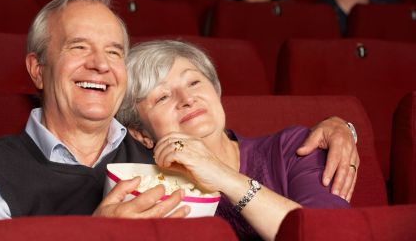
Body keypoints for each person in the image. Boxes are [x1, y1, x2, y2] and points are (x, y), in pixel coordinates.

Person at [0, 0, 358, 222]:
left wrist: (342, 126)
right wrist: (98, 236)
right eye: (79, 47)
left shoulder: (171, 158)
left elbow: (246, 160)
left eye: (115, 52)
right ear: (38, 69)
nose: (100, 64)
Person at [117, 40, 356, 240]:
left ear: (216, 90)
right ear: (141, 134)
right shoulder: (141, 193)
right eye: (162, 97)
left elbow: (328, 234)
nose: (187, 98)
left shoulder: (296, 147)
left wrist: (222, 175)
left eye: (194, 82)